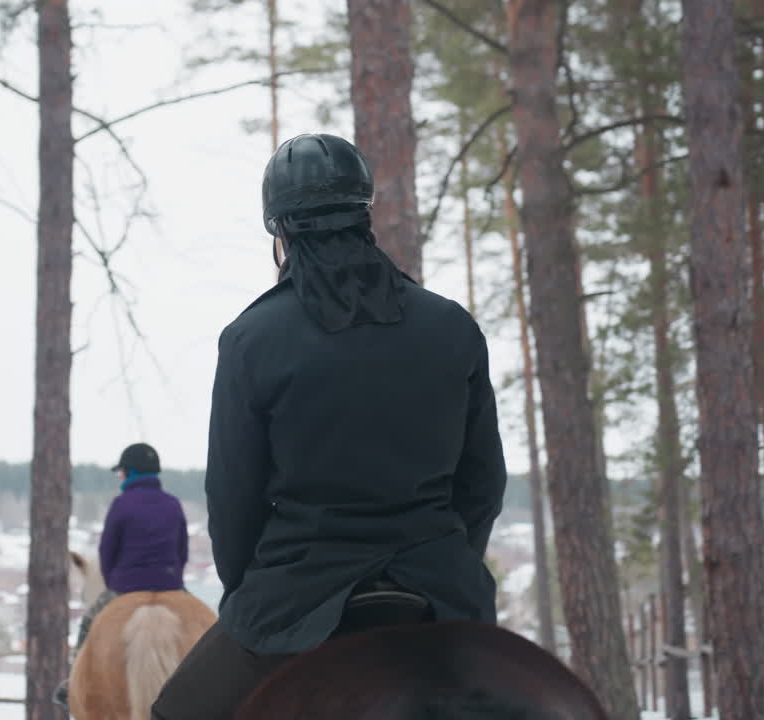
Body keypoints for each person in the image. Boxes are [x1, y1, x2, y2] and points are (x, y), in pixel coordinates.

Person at [150, 133, 508, 720]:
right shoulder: (451, 328)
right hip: (442, 587)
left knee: (174, 715)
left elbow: (233, 496)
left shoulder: (250, 340)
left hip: (296, 595)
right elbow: (483, 483)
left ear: (280, 233)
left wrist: (251, 597)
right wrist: (451, 564)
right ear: (364, 215)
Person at [53, 442, 190, 707]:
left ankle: (75, 683)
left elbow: (107, 551)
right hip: (170, 585)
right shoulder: (173, 505)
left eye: (121, 473)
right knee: (205, 629)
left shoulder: (121, 504)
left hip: (127, 586)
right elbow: (182, 550)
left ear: (130, 473)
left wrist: (115, 581)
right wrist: (173, 580)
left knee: (89, 622)